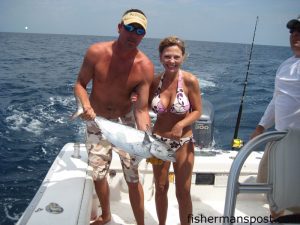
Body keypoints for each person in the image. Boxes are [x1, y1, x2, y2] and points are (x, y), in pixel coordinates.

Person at [74, 9, 154, 225]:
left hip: (124, 122)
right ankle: (106, 215)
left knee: (133, 176)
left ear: (143, 35)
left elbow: (142, 109)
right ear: (120, 27)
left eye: (139, 30)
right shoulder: (96, 52)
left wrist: (146, 139)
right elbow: (80, 84)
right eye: (129, 27)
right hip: (96, 120)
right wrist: (86, 106)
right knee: (99, 174)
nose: (133, 33)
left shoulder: (145, 67)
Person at [250, 15, 300, 220]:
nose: (295, 35)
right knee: (270, 185)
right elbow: (276, 99)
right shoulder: (286, 64)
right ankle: (276, 219)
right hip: (278, 137)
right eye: (293, 32)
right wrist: (261, 127)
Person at [149, 36, 202, 225]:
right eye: (167, 56)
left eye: (176, 57)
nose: (172, 61)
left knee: (183, 191)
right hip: (158, 142)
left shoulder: (190, 81)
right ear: (160, 57)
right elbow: (143, 107)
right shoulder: (154, 82)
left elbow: (197, 110)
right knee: (161, 187)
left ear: (183, 57)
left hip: (183, 143)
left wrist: (180, 124)